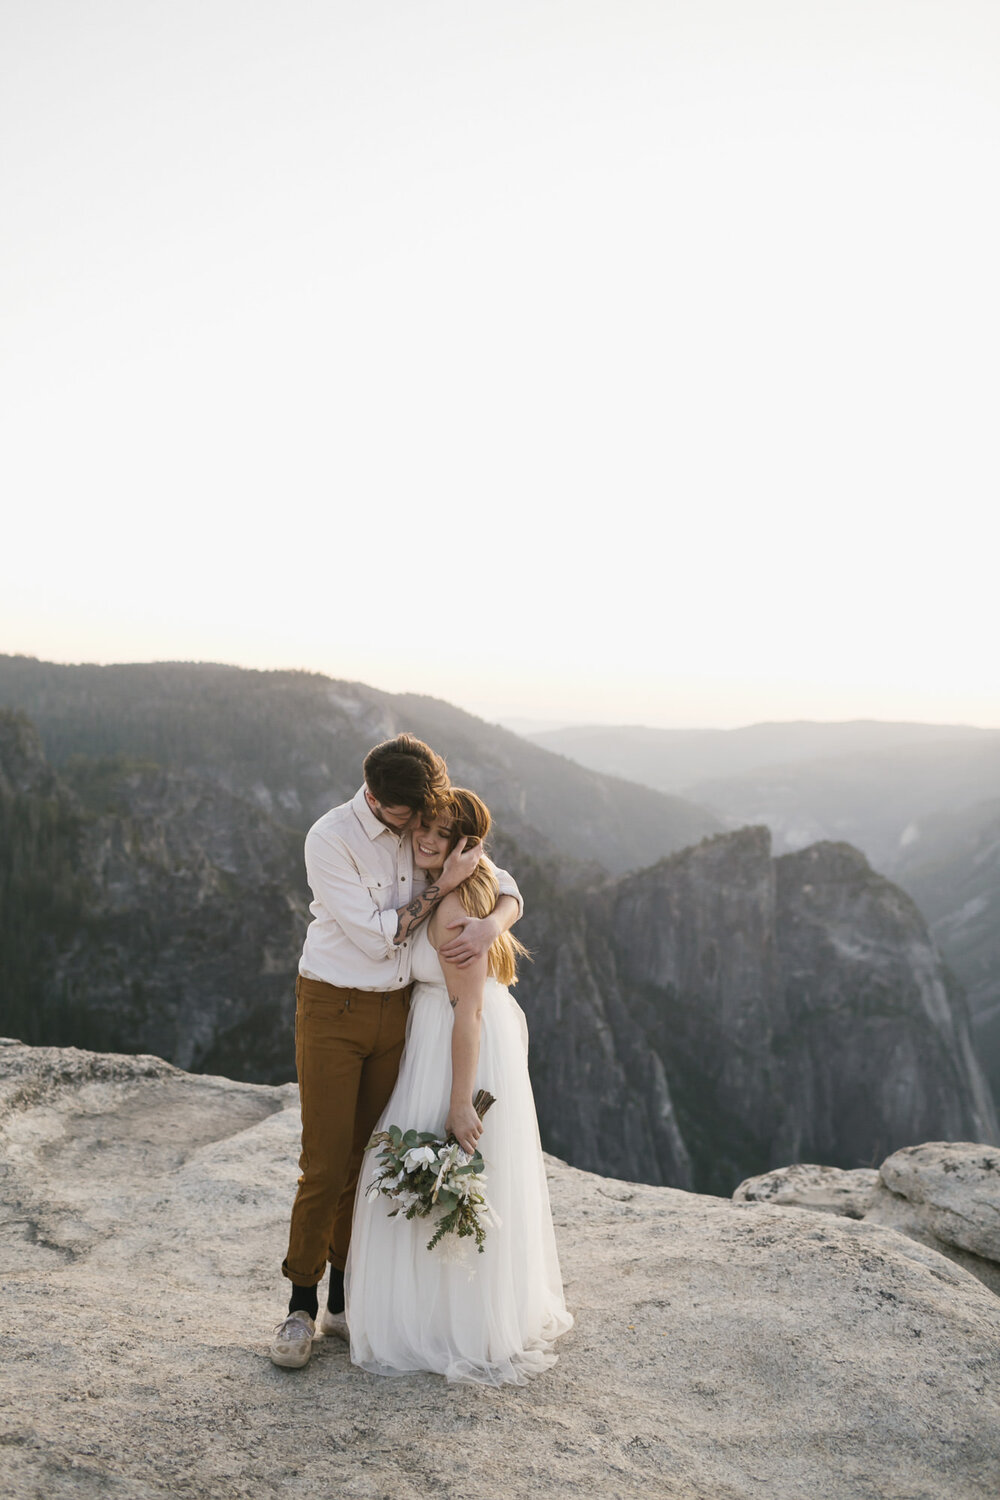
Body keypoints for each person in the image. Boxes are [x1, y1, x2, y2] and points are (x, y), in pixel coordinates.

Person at [270, 735, 523, 1369]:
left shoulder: (424, 820)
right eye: (417, 818)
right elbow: (382, 936)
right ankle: (299, 1307)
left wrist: (494, 920)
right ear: (382, 802)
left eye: (433, 819)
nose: (426, 831)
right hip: (334, 1005)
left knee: (367, 1162)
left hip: (401, 1017)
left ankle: (344, 1303)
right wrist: (446, 892)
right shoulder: (329, 839)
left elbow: (499, 875)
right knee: (324, 1164)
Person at [345, 789, 573, 1385]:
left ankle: (450, 1326)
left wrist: (458, 1104)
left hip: (454, 1044)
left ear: (464, 846)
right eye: (425, 824)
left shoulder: (452, 912)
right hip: (438, 1033)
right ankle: (448, 1315)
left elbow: (466, 1012)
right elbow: (510, 889)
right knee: (432, 1178)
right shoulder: (453, 883)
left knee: (443, 1168)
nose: (427, 836)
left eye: (443, 832)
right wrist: (488, 904)